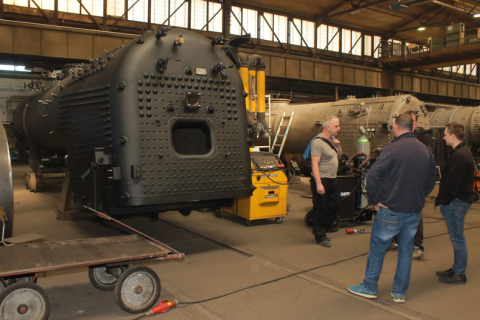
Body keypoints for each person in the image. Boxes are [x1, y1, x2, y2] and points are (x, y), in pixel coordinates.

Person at [348, 114, 436, 303]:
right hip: (413, 211)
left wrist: (375, 200)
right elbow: (430, 181)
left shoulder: (391, 149)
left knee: (378, 249)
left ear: (395, 127)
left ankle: (370, 287)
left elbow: (373, 176)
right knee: (406, 251)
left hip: (390, 210)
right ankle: (399, 293)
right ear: (413, 128)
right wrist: (419, 197)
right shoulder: (426, 151)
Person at [435, 122, 474, 284]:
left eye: (445, 134)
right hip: (458, 201)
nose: (443, 137)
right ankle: (457, 267)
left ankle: (460, 273)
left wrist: (445, 201)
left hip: (456, 203)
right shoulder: (463, 152)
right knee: (456, 238)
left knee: (457, 239)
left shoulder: (459, 155)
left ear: (452, 135)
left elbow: (452, 183)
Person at [395, 110, 436, 259]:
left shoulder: (424, 138)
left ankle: (417, 245)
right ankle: (396, 241)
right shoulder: (399, 137)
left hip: (416, 182)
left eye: (410, 120)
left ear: (415, 123)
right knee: (397, 211)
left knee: (415, 214)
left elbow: (428, 158)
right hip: (401, 182)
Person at [310, 116, 342, 247]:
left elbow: (338, 158)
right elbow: (314, 164)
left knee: (335, 205)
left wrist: (338, 147)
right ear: (328, 127)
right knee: (320, 208)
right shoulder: (317, 142)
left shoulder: (332, 141)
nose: (339, 128)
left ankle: (320, 228)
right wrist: (318, 183)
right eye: (337, 126)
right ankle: (320, 236)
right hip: (322, 178)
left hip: (332, 178)